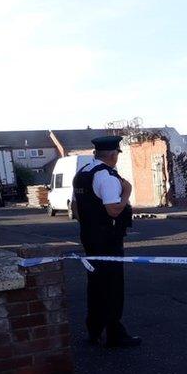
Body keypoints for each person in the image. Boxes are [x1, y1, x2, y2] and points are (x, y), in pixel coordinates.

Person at [71, 135, 140, 348]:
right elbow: (113, 209)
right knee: (112, 285)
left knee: (95, 283)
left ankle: (94, 329)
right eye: (117, 154)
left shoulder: (82, 174)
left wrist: (90, 225)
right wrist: (127, 193)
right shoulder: (107, 177)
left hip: (89, 236)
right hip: (108, 239)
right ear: (113, 155)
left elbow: (74, 209)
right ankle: (114, 334)